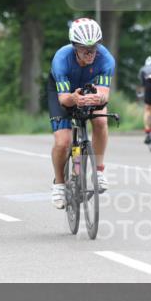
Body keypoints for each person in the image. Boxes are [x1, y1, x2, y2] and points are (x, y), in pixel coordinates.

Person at [48, 18, 114, 209]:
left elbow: (104, 94)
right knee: (63, 142)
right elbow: (63, 100)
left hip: (89, 89)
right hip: (63, 92)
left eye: (94, 48)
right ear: (75, 46)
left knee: (101, 122)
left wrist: (98, 98)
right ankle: (59, 185)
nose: (90, 53)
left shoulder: (106, 59)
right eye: (85, 49)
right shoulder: (61, 59)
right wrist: (74, 99)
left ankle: (98, 171)